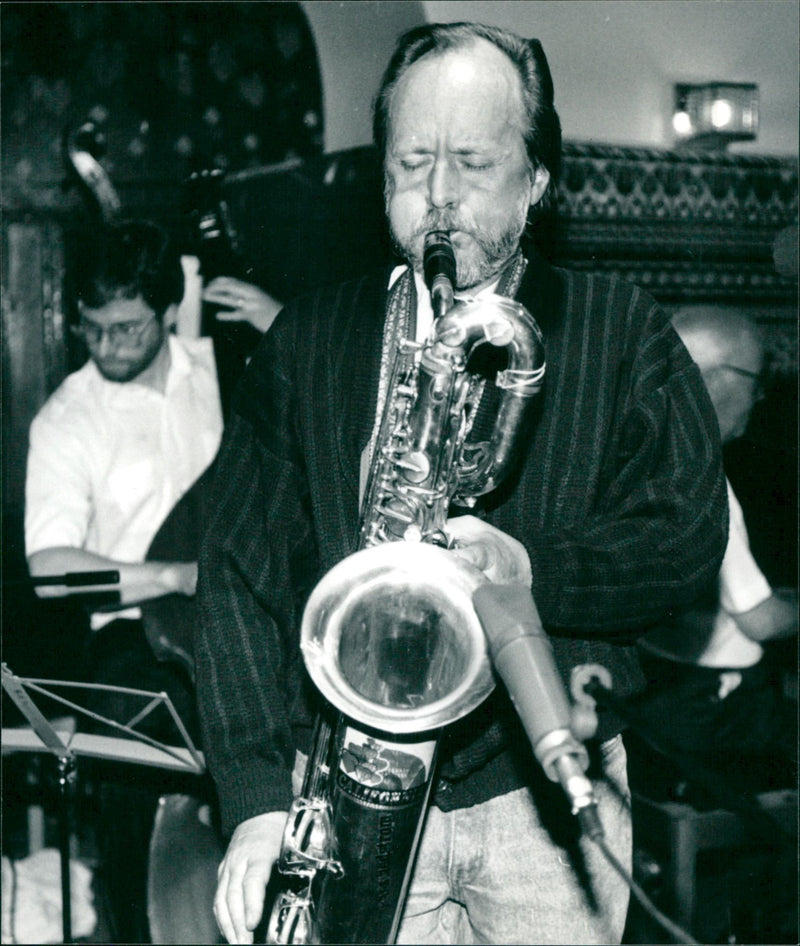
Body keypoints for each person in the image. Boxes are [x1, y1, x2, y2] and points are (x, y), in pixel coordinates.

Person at [195, 22, 728, 946]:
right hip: (342, 785)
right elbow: (235, 572)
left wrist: (532, 570)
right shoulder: (307, 340)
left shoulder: (624, 328)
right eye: (412, 164)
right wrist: (247, 800)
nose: (438, 199)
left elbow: (685, 539)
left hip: (547, 797)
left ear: (538, 181)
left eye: (473, 163)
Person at [23, 218, 276, 942]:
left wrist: (282, 324)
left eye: (127, 329)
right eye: (92, 329)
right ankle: (138, 923)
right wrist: (168, 573)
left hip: (239, 621)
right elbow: (51, 576)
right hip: (133, 634)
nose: (106, 347)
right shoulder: (68, 419)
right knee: (137, 749)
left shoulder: (215, 363)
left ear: (167, 312)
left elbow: (326, 406)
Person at [635, 306, 797, 786]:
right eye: (755, 380)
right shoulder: (703, 483)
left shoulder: (637, 455)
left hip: (650, 690)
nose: (758, 397)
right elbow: (759, 620)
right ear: (717, 380)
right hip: (714, 713)